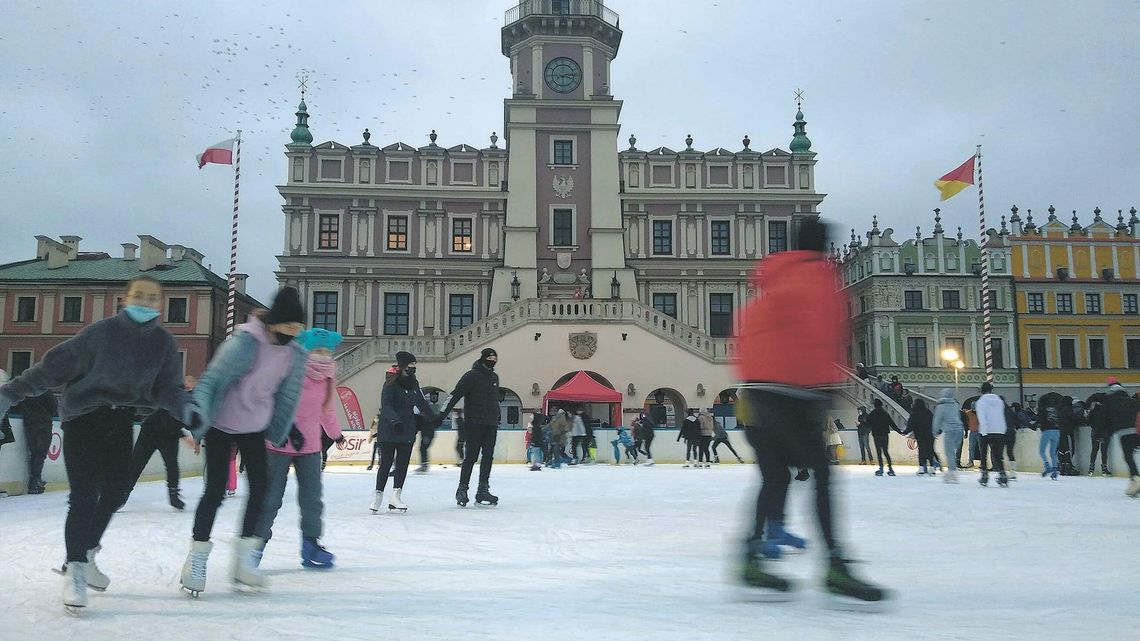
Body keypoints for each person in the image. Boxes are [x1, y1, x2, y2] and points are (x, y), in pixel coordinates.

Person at [0, 275, 194, 613]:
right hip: (82, 417)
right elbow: (51, 369)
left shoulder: (163, 343)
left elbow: (168, 389)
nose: (145, 302)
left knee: (118, 492)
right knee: (84, 495)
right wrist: (9, 393)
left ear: (159, 304)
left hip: (120, 420)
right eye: (138, 295)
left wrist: (189, 411)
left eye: (151, 298)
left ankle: (86, 552)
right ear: (125, 298)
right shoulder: (100, 333)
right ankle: (74, 569)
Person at [733, 217, 887, 605]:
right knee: (821, 476)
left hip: (754, 394)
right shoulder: (819, 280)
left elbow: (746, 332)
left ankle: (750, 556)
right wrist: (824, 391)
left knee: (774, 478)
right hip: (793, 394)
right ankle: (835, 563)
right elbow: (824, 336)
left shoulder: (771, 281)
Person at [180, 287, 308, 596]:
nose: (292, 335)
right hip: (222, 423)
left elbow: (284, 395)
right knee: (214, 492)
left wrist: (289, 426)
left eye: (297, 329)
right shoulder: (245, 342)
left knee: (261, 491)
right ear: (275, 322)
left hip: (254, 426)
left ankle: (243, 562)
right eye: (287, 328)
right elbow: (212, 379)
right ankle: (197, 558)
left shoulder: (294, 354)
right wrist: (196, 417)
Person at [254, 328, 343, 568]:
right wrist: (276, 429)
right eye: (317, 350)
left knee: (312, 500)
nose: (322, 356)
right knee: (270, 498)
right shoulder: (289, 372)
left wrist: (336, 434)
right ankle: (255, 546)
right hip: (278, 444)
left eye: (326, 351)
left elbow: (327, 410)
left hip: (311, 447)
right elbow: (274, 401)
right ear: (305, 350)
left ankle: (310, 545)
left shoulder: (328, 378)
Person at [370, 352, 437, 513]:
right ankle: (378, 495)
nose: (413, 368)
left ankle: (396, 496)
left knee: (402, 465)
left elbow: (421, 403)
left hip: (407, 430)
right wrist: (394, 421)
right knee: (385, 464)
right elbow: (386, 405)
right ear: (402, 366)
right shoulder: (391, 383)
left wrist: (434, 418)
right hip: (389, 429)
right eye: (410, 366)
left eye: (414, 366)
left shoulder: (414, 384)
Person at [440, 347, 502, 507]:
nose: (492, 359)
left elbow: (494, 400)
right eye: (489, 357)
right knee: (471, 457)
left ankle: (483, 489)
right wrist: (441, 415)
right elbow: (455, 395)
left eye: (495, 357)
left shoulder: (494, 377)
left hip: (490, 424)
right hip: (474, 423)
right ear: (482, 358)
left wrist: (496, 416)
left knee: (488, 457)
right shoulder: (471, 376)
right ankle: (462, 489)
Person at [125, 376, 198, 509]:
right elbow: (167, 416)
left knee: (172, 466)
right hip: (150, 432)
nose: (186, 388)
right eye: (185, 385)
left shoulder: (190, 400)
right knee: (136, 464)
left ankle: (174, 496)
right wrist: (183, 436)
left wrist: (194, 436)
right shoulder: (172, 393)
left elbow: (188, 419)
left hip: (169, 437)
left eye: (189, 387)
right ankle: (122, 495)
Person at [1091, 377, 1139, 476]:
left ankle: (1135, 479)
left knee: (1128, 457)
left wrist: (1098, 434)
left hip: (1124, 432)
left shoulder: (1108, 402)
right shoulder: (1131, 400)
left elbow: (1102, 420)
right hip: (1137, 431)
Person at [16, 390, 58, 494]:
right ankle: (35, 481)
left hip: (30, 424)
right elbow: (54, 406)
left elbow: (17, 405)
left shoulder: (25, 391)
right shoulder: (44, 390)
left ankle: (35, 480)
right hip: (43, 423)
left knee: (35, 453)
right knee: (40, 454)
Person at [975, 382, 1009, 487]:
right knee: (998, 454)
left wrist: (983, 431)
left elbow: (981, 416)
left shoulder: (981, 402)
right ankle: (1002, 474)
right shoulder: (1000, 401)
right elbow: (1002, 415)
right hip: (1000, 430)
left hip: (986, 430)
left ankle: (984, 475)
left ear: (981, 390)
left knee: (983, 454)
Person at [932, 389, 964, 483]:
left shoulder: (941, 407)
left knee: (949, 453)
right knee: (953, 453)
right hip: (959, 430)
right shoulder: (955, 405)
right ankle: (952, 471)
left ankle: (952, 474)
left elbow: (937, 420)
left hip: (950, 431)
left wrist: (935, 431)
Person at [901, 399, 935, 475]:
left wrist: (905, 432)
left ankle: (921, 469)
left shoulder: (914, 413)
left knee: (922, 451)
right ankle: (932, 469)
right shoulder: (928, 412)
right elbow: (934, 422)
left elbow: (911, 425)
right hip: (930, 434)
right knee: (930, 451)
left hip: (920, 435)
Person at [866, 398, 897, 477]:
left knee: (879, 452)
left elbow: (868, 424)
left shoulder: (872, 413)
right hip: (884, 435)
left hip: (876, 435)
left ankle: (881, 468)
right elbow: (891, 423)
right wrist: (899, 431)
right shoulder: (885, 413)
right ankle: (890, 469)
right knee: (886, 452)